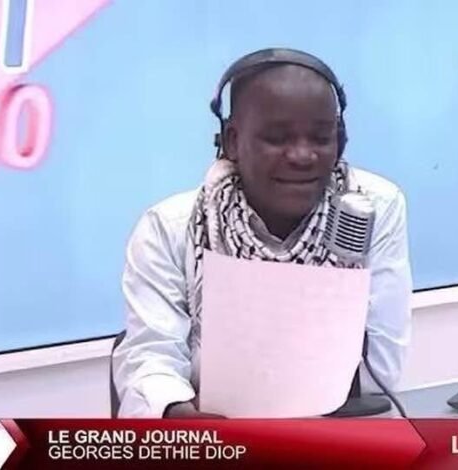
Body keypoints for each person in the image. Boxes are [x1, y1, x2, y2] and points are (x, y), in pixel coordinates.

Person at [112, 48, 412, 418]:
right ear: (232, 141)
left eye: (321, 138)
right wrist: (179, 414)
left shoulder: (372, 207)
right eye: (277, 138)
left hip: (338, 428)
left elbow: (380, 371)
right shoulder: (168, 228)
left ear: (341, 140)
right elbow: (151, 360)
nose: (302, 155)